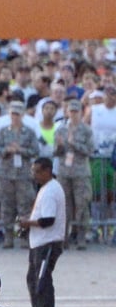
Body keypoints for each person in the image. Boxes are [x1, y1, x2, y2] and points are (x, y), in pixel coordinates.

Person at [18, 157, 66, 307]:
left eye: (37, 171)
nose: (34, 175)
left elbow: (48, 220)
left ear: (47, 171)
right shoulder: (46, 189)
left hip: (48, 242)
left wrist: (27, 223)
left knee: (42, 278)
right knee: (33, 278)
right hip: (39, 242)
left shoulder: (51, 190)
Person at [0, 102, 40, 249]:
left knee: (24, 207)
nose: (15, 117)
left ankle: (23, 237)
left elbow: (35, 151)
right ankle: (8, 237)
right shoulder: (3, 131)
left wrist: (21, 150)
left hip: (23, 175)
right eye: (13, 114)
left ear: (23, 115)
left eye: (18, 114)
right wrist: (6, 150)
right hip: (6, 174)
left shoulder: (29, 132)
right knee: (6, 206)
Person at [52, 99, 93, 250]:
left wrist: (73, 143)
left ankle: (81, 236)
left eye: (76, 111)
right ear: (67, 112)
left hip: (81, 172)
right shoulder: (60, 129)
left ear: (81, 113)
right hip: (64, 172)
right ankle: (64, 237)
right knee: (64, 206)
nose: (74, 114)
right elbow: (55, 152)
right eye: (71, 111)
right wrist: (60, 146)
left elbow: (90, 150)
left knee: (82, 204)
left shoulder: (86, 130)